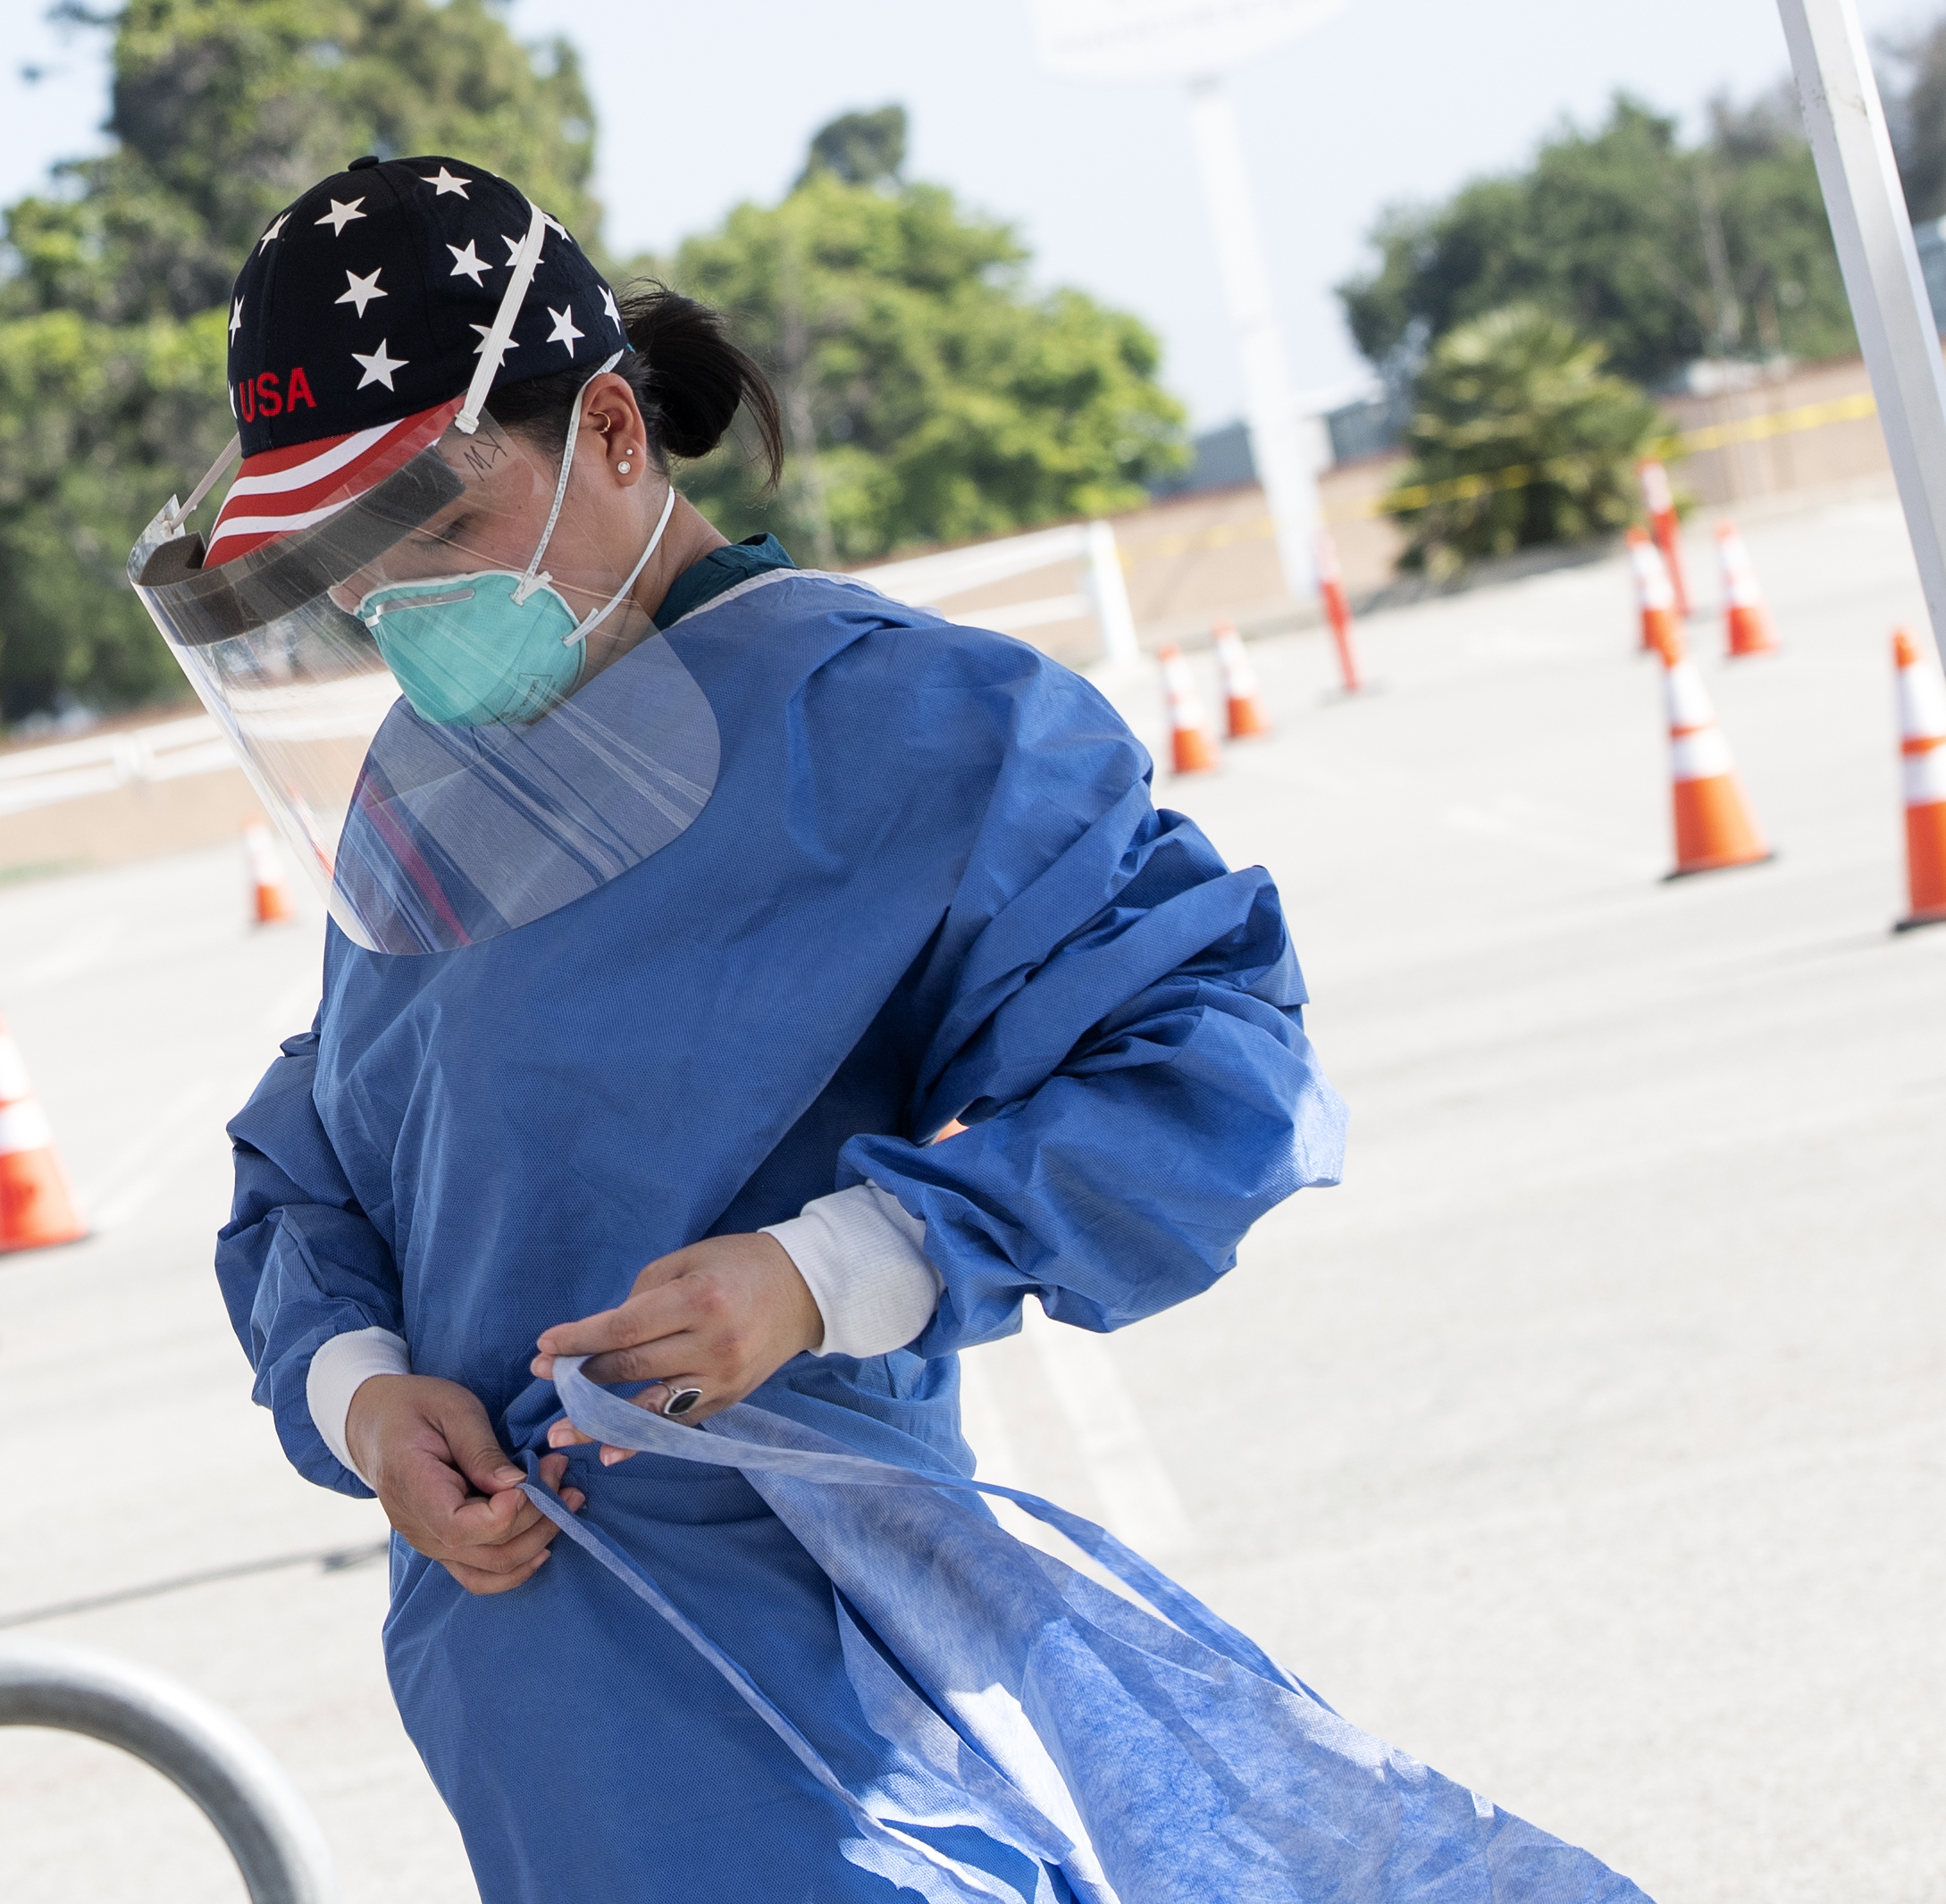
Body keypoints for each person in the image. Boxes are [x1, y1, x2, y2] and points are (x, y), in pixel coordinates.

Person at [131, 155, 1648, 1904]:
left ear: (612, 432)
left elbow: (1214, 1065)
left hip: (820, 1709)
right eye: (347, 571)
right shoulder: (435, 779)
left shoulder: (912, 726)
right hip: (536, 1740)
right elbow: (323, 1151)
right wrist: (360, 1394)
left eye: (439, 533)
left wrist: (833, 1268)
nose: (395, 608)